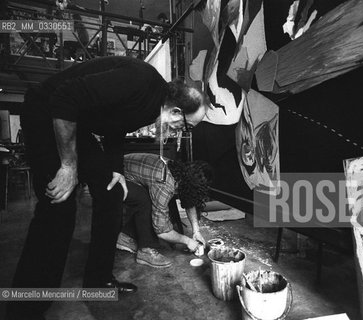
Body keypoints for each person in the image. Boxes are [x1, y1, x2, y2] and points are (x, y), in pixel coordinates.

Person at [7, 56, 207, 320]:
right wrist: (68, 166)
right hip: (47, 112)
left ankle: (97, 281)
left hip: (76, 123)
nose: (181, 132)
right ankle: (25, 307)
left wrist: (116, 171)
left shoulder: (150, 108)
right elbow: (65, 97)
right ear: (176, 112)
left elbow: (115, 128)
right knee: (59, 206)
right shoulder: (140, 82)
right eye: (185, 126)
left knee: (113, 193)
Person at [116, 153, 213, 268]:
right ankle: (145, 251)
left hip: (128, 170)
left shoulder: (181, 174)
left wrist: (196, 231)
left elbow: (189, 200)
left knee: (155, 199)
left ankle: (125, 236)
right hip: (114, 176)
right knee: (144, 200)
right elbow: (162, 231)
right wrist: (187, 241)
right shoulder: (164, 184)